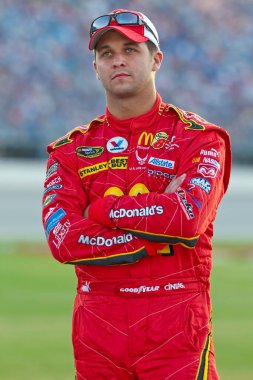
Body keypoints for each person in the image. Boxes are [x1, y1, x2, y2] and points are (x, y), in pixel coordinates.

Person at [42, 8, 231, 380]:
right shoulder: (69, 151)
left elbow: (187, 218)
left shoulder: (199, 138)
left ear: (156, 59)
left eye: (131, 49)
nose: (118, 61)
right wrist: (151, 235)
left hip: (175, 327)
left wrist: (102, 210)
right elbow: (63, 240)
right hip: (97, 330)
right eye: (107, 53)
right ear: (95, 67)